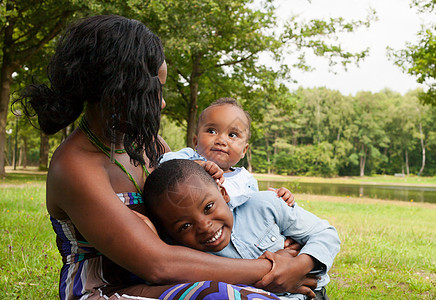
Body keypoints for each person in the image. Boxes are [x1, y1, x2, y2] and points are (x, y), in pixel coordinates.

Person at [14, 15, 319, 299]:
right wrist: (271, 269)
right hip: (106, 289)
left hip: (163, 280)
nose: (160, 104)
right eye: (153, 92)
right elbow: (157, 262)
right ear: (118, 90)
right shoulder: (75, 166)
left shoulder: (149, 144)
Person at [143, 159, 340, 300]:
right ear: (170, 234)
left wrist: (299, 266)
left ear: (223, 193)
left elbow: (325, 233)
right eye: (185, 226)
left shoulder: (265, 205)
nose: (204, 226)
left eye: (208, 207)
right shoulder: (185, 258)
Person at [159, 98, 295, 209]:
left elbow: (254, 209)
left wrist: (278, 198)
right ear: (196, 141)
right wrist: (196, 166)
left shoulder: (246, 180)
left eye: (232, 135)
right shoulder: (189, 157)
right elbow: (164, 165)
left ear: (244, 151)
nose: (221, 140)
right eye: (212, 131)